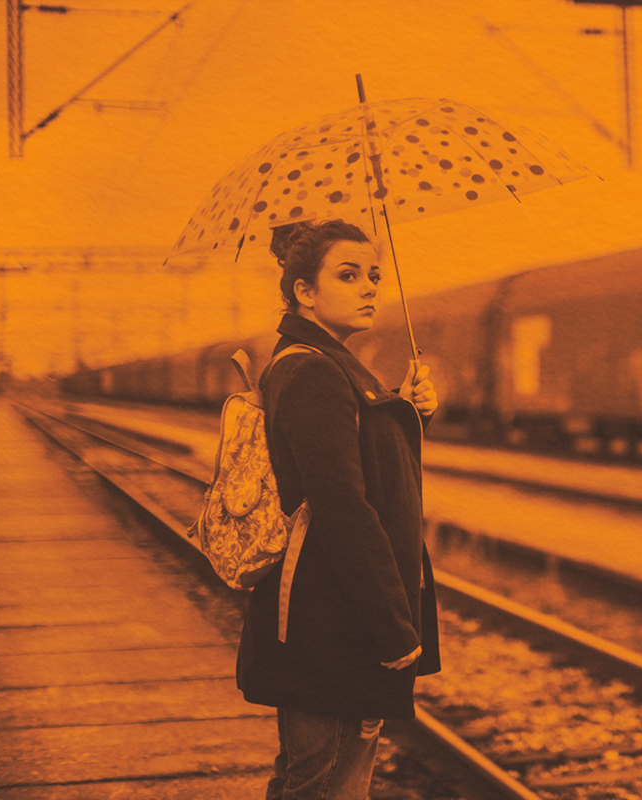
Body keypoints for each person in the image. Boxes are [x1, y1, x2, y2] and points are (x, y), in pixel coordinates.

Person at [236, 218, 441, 799]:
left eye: (373, 275)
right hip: (336, 621)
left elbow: (358, 466)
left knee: (313, 779)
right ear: (304, 289)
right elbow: (343, 509)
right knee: (328, 785)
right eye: (348, 275)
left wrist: (410, 412)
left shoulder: (317, 364)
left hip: (324, 613)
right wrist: (394, 631)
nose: (369, 286)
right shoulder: (314, 371)